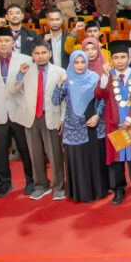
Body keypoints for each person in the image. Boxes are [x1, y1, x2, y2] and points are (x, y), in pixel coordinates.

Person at [0, 27, 35, 197]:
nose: (3, 44)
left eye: (6, 41)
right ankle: (5, 182)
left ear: (13, 43)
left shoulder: (25, 60)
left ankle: (31, 180)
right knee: (1, 151)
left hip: (19, 111)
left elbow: (31, 86)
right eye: (0, 41)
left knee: (25, 149)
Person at [9, 41, 67, 200]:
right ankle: (40, 185)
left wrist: (62, 118)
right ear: (32, 55)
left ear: (49, 53)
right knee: (35, 154)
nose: (41, 56)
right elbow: (13, 90)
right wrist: (19, 75)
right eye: (37, 53)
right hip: (31, 117)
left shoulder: (59, 71)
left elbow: (64, 99)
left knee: (55, 154)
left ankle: (58, 186)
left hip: (52, 116)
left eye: (44, 53)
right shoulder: (25, 70)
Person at [53, 49, 109, 203]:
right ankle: (82, 193)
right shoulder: (66, 79)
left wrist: (98, 115)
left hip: (94, 125)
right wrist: (58, 85)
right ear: (71, 63)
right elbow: (56, 101)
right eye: (76, 62)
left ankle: (98, 191)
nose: (79, 65)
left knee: (95, 159)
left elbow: (102, 99)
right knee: (79, 160)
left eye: (82, 62)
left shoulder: (94, 77)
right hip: (74, 127)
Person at [95, 39, 131, 204]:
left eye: (123, 57)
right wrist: (104, 76)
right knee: (116, 162)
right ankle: (118, 190)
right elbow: (99, 94)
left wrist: (129, 118)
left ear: (128, 57)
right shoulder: (108, 76)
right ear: (111, 60)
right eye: (116, 57)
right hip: (113, 124)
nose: (120, 61)